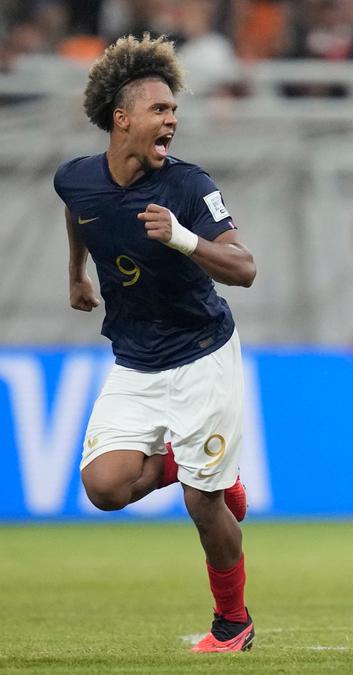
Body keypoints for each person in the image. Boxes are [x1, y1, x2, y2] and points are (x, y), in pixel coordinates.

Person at [53, 34, 257, 653]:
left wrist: (183, 240)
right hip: (135, 361)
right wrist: (75, 273)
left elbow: (244, 268)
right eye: (159, 110)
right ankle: (193, 464)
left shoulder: (190, 188)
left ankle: (233, 624)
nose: (172, 120)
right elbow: (77, 212)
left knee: (202, 503)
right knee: (105, 489)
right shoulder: (77, 180)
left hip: (203, 354)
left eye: (174, 110)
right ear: (122, 119)